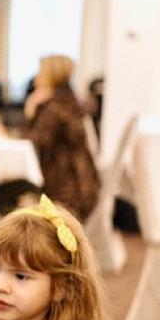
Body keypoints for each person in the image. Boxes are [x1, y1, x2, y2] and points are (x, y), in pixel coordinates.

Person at [23, 55, 100, 220]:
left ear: (52, 76)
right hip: (84, 187)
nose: (36, 77)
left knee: (11, 190)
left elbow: (33, 144)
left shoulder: (53, 108)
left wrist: (31, 111)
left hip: (65, 195)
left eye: (40, 73)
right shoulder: (70, 101)